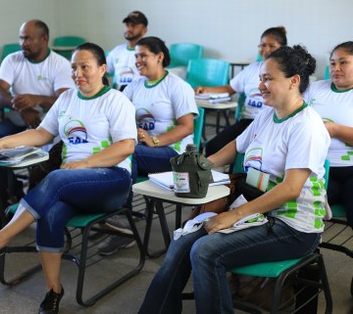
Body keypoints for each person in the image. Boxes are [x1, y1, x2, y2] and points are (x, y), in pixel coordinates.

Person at [138, 45, 331, 314]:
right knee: (182, 244)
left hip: (291, 226)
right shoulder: (267, 114)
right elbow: (235, 147)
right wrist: (201, 165)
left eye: (268, 79)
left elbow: (290, 189)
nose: (260, 85)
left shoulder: (307, 126)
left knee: (205, 252)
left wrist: (234, 215)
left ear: (294, 81)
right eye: (261, 78)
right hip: (257, 212)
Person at [0, 42, 137, 314]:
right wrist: (4, 142)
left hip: (111, 180)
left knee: (56, 177)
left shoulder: (116, 100)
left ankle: (0, 238)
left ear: (102, 69)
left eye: (85, 67)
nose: (78, 73)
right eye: (74, 68)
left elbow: (126, 146)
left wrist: (85, 163)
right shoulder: (67, 99)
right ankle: (54, 291)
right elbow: (43, 134)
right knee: (50, 214)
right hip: (72, 182)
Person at [96, 36, 198, 256]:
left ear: (160, 57)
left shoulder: (178, 86)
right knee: (109, 153)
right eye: (136, 56)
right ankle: (109, 213)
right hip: (143, 151)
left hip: (174, 153)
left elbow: (187, 127)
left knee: (126, 153)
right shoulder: (134, 86)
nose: (138, 61)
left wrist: (155, 141)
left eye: (143, 56)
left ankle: (122, 221)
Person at [0, 19, 74, 149]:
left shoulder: (60, 64)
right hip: (16, 123)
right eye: (21, 38)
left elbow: (66, 101)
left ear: (44, 39)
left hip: (47, 127)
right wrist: (22, 108)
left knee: (50, 150)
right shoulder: (12, 60)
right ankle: (4, 170)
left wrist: (37, 100)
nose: (23, 44)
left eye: (28, 39)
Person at [195, 26, 287, 157]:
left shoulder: (285, 73)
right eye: (263, 45)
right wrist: (206, 90)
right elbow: (230, 88)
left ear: (282, 47)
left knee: (252, 153)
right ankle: (228, 175)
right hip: (247, 122)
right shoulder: (252, 69)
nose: (266, 50)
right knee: (213, 147)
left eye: (271, 46)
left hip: (271, 123)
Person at [304, 41, 353, 227]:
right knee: (302, 210)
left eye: (343, 62)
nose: (336, 68)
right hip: (317, 169)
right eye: (333, 63)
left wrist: (335, 129)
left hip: (351, 169)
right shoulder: (314, 89)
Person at [106, 10, 148, 91]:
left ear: (144, 30)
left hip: (140, 96)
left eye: (133, 25)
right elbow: (103, 72)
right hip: (118, 98)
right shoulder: (117, 51)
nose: (129, 28)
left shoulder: (149, 52)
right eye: (127, 25)